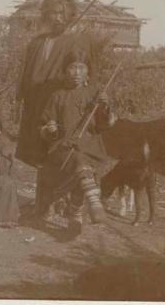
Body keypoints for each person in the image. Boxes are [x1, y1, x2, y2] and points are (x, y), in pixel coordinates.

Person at [16, 0, 97, 217]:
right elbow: (26, 74)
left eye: (62, 13)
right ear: (46, 16)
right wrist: (20, 98)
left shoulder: (75, 41)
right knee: (39, 156)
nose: (57, 18)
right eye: (52, 13)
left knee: (60, 152)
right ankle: (45, 204)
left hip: (59, 106)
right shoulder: (37, 42)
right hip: (34, 105)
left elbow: (82, 72)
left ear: (70, 15)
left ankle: (63, 202)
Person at [39, 49, 116, 232]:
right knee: (80, 161)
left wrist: (104, 107)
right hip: (63, 147)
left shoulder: (95, 94)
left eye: (82, 68)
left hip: (91, 146)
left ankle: (76, 212)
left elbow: (104, 126)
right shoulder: (57, 96)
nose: (77, 73)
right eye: (72, 68)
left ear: (88, 72)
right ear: (65, 70)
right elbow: (45, 126)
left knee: (82, 163)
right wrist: (50, 129)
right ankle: (89, 204)